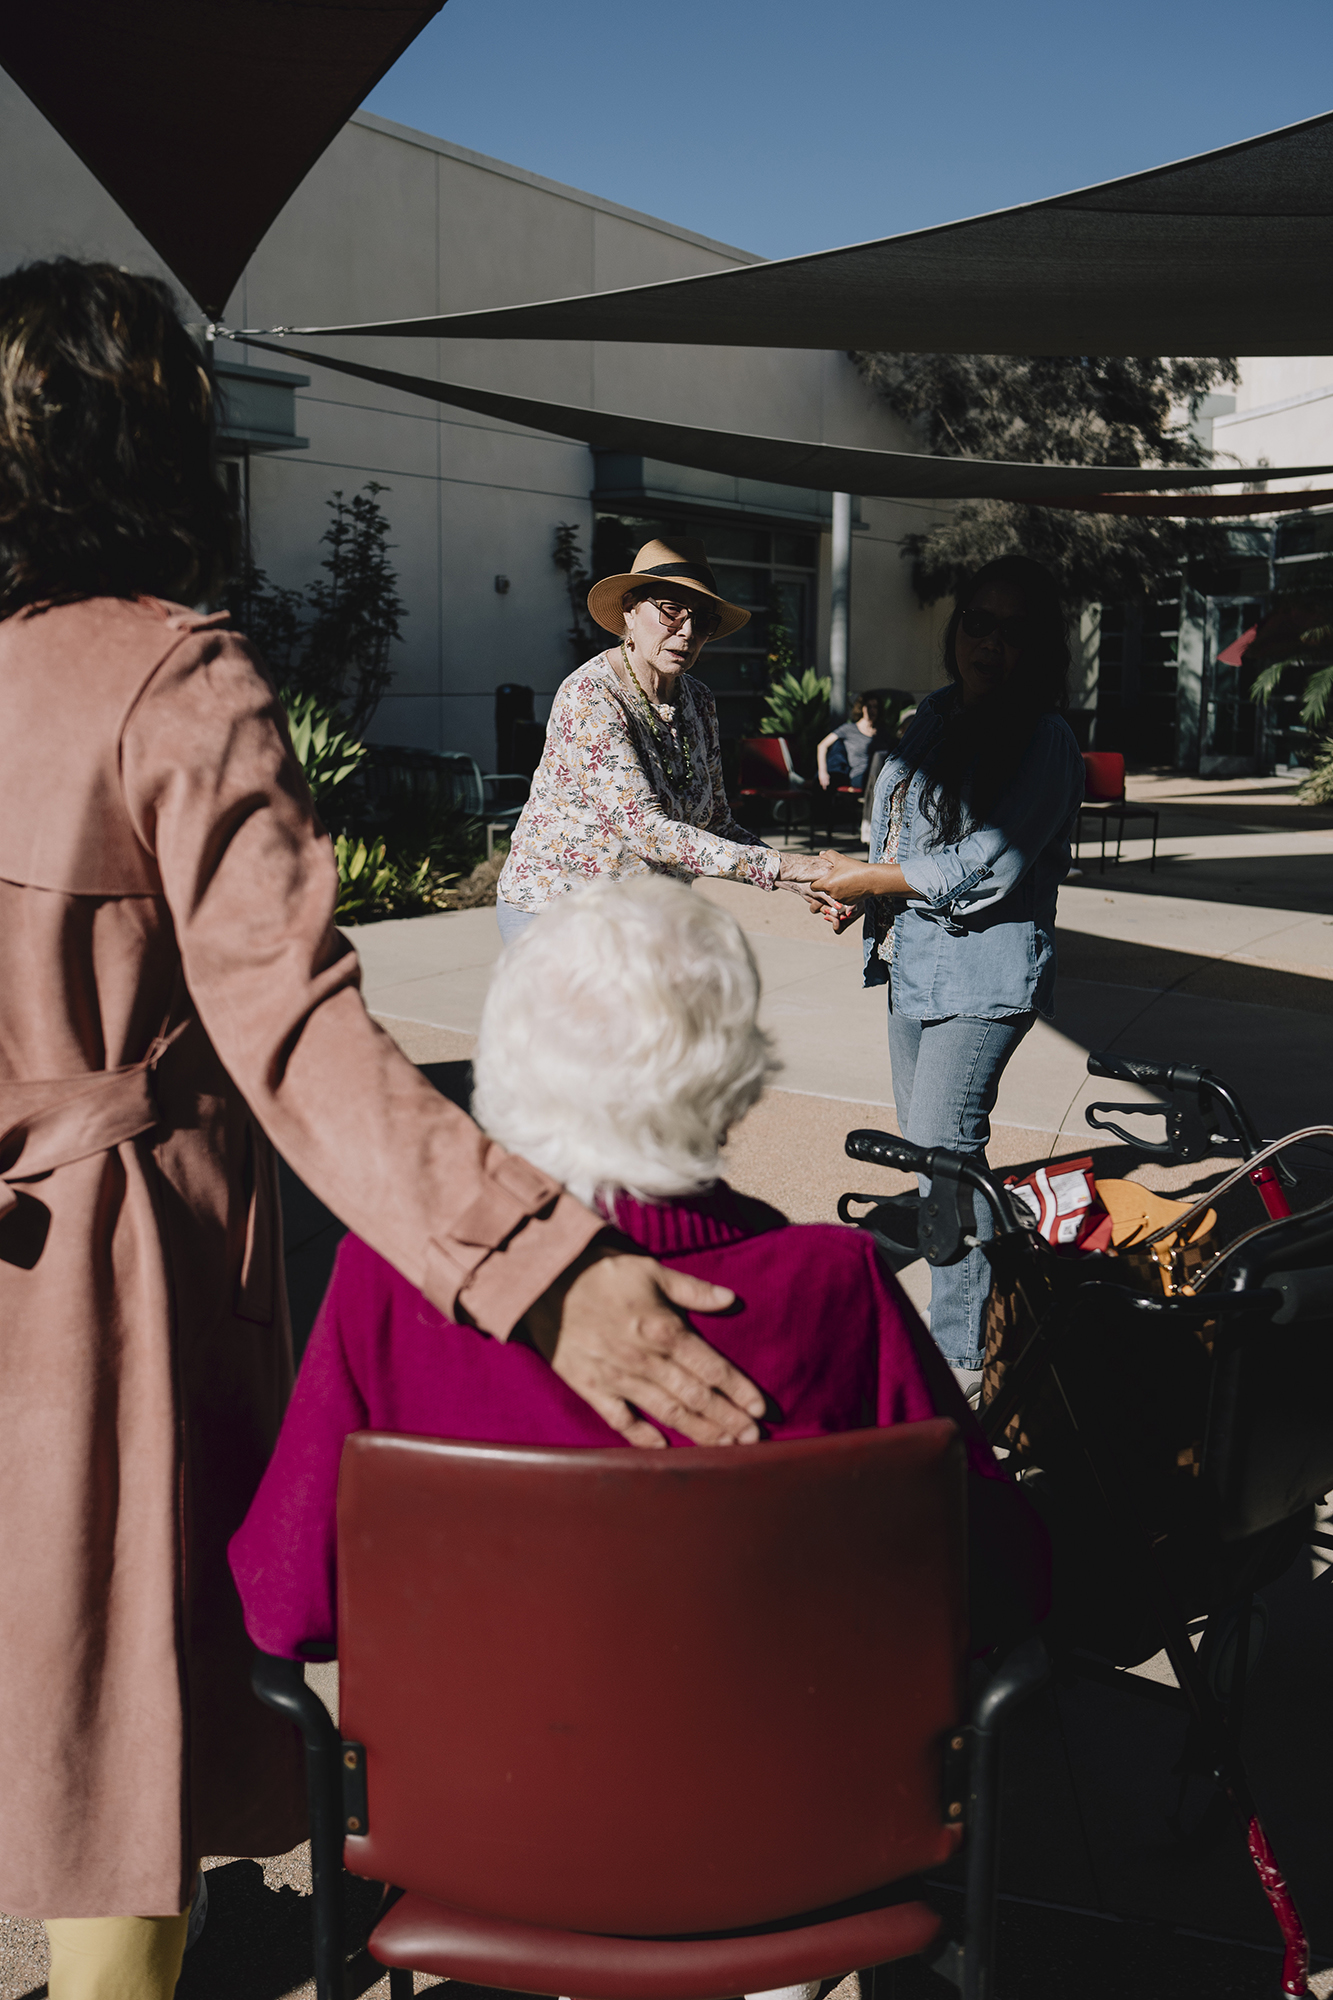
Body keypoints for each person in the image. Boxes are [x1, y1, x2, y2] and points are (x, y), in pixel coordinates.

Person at [0, 262, 765, 1998]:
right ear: (160, 442)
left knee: (36, 1677)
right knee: (125, 1705)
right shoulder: (173, 679)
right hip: (118, 1285)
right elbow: (297, 1029)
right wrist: (541, 1267)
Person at [230, 876, 1049, 1673]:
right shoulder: (837, 1283)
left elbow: (286, 1608)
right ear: (736, 1081)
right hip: (794, 1792)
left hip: (470, 1800)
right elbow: (1000, 1582)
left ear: (504, 1067)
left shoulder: (386, 1282)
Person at [810, 556, 1085, 1383]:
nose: (989, 645)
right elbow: (899, 837)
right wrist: (863, 894)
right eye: (977, 624)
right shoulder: (932, 716)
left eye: (1013, 631)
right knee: (942, 1165)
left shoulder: (1045, 738)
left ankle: (958, 1360)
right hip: (915, 969)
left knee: (941, 1163)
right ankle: (1013, 1313)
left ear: (1039, 648)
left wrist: (877, 882)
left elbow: (988, 862)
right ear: (954, 630)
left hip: (985, 980)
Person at [495, 536, 826, 940]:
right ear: (629, 610)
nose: (687, 631)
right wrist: (788, 866)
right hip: (562, 913)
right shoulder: (591, 695)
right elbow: (645, 830)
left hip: (645, 917)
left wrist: (796, 881)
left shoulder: (698, 699)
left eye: (703, 620)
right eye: (671, 611)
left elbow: (717, 821)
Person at [815, 691, 885, 791]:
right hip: (860, 775)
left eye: (875, 707)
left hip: (880, 773)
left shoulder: (881, 732)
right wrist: (823, 772)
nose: (872, 710)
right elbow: (822, 745)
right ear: (862, 708)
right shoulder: (849, 729)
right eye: (869, 706)